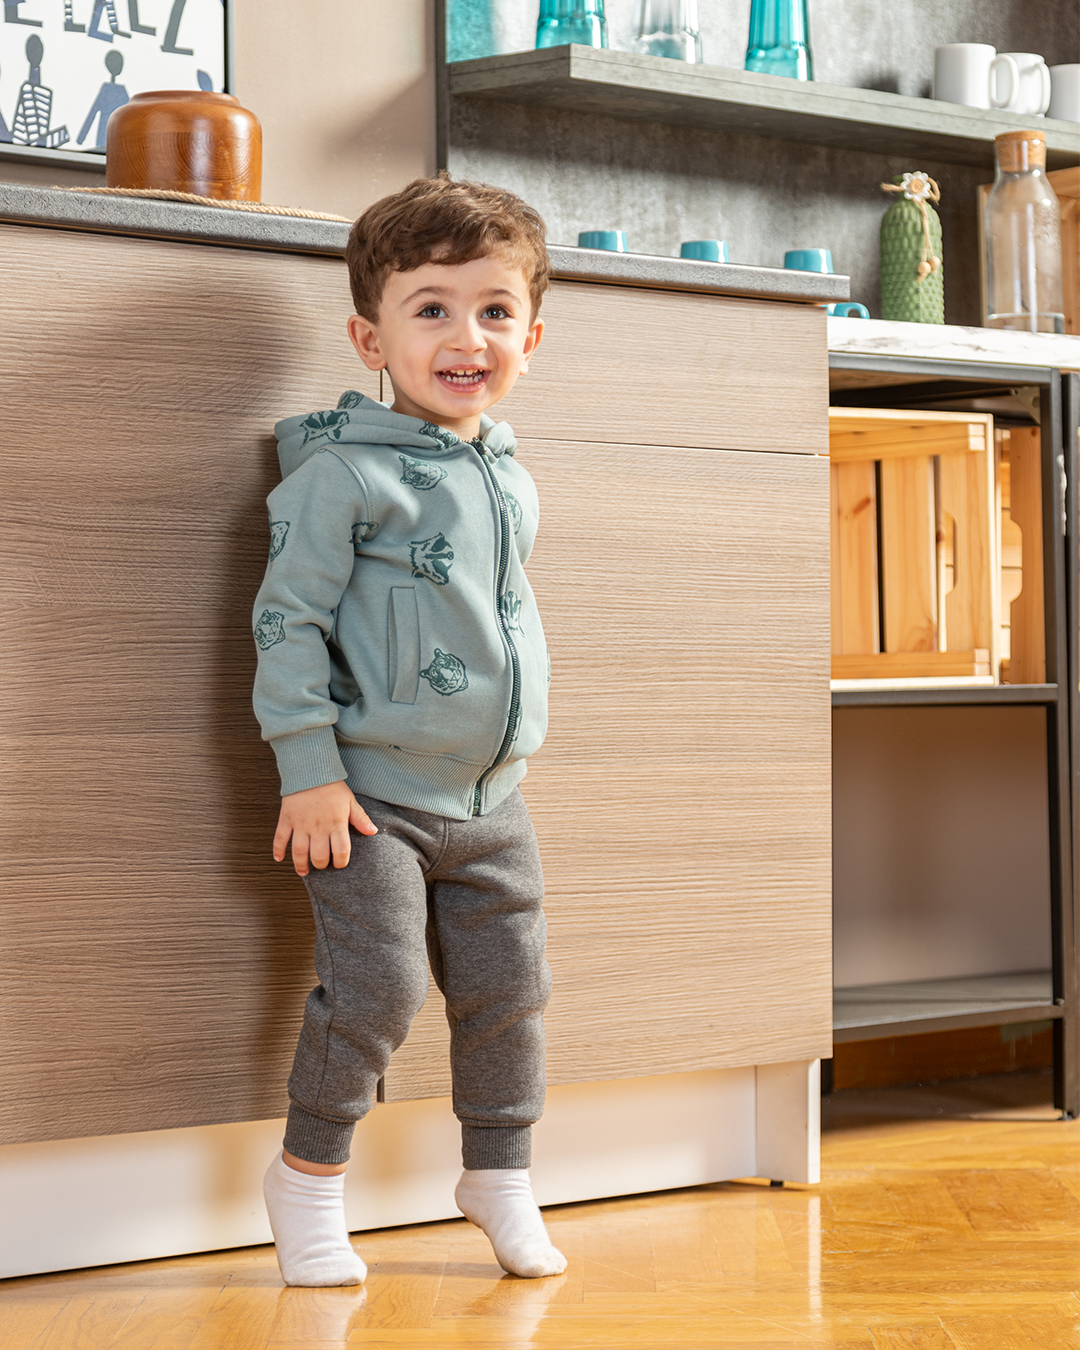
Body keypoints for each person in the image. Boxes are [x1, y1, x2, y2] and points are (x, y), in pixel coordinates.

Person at [251, 174, 565, 1288]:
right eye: (429, 308)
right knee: (377, 993)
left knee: (509, 993)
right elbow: (287, 623)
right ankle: (308, 1180)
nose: (464, 335)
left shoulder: (508, 472)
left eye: (491, 309)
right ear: (369, 335)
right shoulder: (344, 473)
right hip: (369, 798)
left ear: (531, 332)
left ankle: (501, 1174)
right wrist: (308, 770)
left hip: (492, 800)